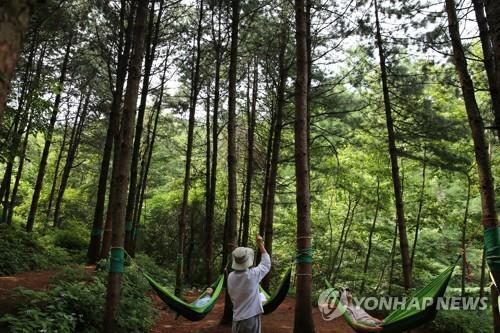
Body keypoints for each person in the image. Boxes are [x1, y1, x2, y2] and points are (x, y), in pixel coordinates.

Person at [228, 235, 271, 333]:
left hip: (236, 319)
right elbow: (266, 264)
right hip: (250, 319)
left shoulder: (230, 277)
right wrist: (260, 244)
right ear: (247, 260)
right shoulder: (252, 275)